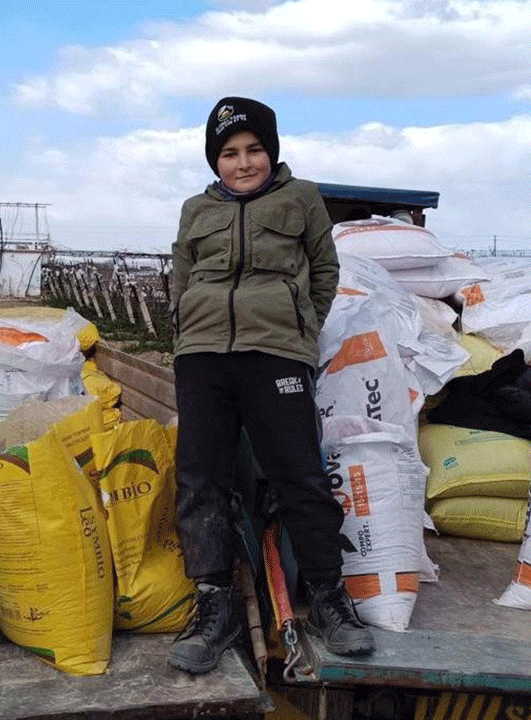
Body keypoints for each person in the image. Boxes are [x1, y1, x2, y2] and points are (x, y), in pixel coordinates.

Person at [167, 96, 375, 674]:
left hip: (276, 353)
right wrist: (184, 330)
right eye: (229, 153)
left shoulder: (301, 198)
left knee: (299, 474)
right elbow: (182, 276)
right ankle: (215, 605)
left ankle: (329, 599)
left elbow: (324, 272)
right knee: (200, 478)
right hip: (203, 355)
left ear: (272, 151)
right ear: (215, 161)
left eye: (254, 149)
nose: (243, 162)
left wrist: (301, 330)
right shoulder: (195, 209)